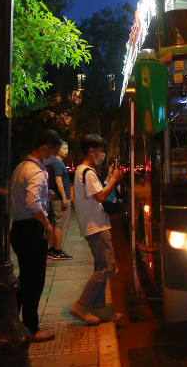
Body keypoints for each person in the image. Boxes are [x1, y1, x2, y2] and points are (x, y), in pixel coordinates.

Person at [10, 129, 63, 342]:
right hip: (31, 231)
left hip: (19, 228)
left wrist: (44, 197)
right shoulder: (35, 172)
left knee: (25, 278)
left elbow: (27, 198)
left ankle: (12, 323)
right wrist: (47, 225)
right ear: (44, 149)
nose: (54, 158)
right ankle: (31, 328)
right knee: (34, 282)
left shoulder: (21, 167)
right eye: (53, 153)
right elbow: (32, 204)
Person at [70, 134, 124, 325]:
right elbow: (101, 197)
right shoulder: (87, 172)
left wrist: (109, 177)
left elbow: (98, 192)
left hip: (94, 225)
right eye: (101, 151)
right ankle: (82, 304)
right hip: (96, 227)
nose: (102, 155)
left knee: (101, 266)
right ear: (91, 151)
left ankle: (99, 307)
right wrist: (114, 179)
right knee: (108, 267)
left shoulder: (83, 171)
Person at [46, 141, 73, 260]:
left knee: (54, 223)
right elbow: (58, 181)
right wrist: (64, 198)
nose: (67, 151)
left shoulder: (54, 162)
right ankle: (57, 252)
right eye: (64, 149)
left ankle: (51, 250)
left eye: (67, 149)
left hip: (55, 198)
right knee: (59, 225)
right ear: (58, 150)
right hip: (59, 198)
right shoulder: (57, 163)